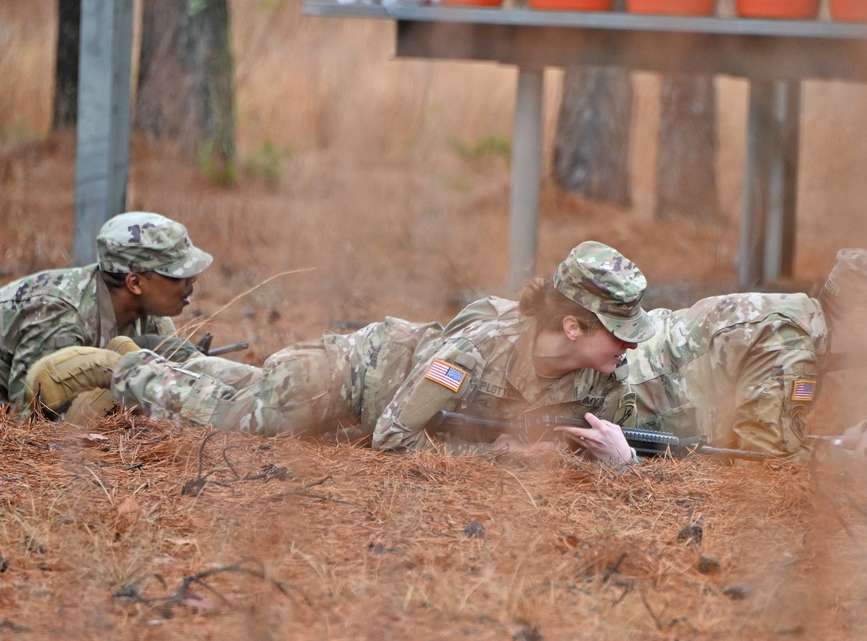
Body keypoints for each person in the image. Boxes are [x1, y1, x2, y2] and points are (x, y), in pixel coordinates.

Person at [25, 241, 656, 464]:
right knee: (248, 419)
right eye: (616, 328)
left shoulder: (600, 381)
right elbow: (393, 438)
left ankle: (177, 363)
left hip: (356, 404)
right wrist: (500, 457)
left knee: (251, 390)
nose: (630, 342)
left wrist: (621, 461)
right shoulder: (477, 351)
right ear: (572, 326)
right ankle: (122, 366)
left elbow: (599, 449)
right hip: (345, 378)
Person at [602, 248, 867, 459]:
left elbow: (760, 440)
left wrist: (838, 445)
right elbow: (762, 465)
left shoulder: (801, 326)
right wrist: (846, 463)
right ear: (861, 318)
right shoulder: (791, 347)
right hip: (608, 398)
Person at [0, 211, 214, 418]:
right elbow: (30, 423)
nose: (192, 280)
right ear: (135, 283)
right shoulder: (59, 316)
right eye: (178, 275)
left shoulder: (152, 316)